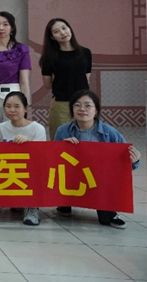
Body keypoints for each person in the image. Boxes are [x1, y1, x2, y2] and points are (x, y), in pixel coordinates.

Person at [54, 90, 140, 229]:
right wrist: (62, 147)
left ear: (96, 111)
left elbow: (124, 164)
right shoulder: (63, 131)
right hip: (73, 175)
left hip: (99, 179)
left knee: (105, 219)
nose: (82, 109)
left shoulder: (110, 133)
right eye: (77, 105)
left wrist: (135, 160)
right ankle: (65, 203)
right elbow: (53, 161)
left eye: (87, 105)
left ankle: (109, 212)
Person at [0, 91, 46, 226]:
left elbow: (41, 157)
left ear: (25, 108)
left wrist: (28, 144)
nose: (12, 110)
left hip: (29, 170)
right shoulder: (1, 128)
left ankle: (32, 208)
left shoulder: (37, 128)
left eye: (17, 106)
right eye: (8, 106)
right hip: (7, 169)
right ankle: (13, 201)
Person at [40, 18, 92, 140]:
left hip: (83, 103)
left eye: (64, 28)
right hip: (61, 104)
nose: (63, 33)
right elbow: (47, 84)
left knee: (85, 139)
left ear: (69, 29)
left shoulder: (85, 52)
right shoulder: (49, 57)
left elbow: (86, 77)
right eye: (56, 31)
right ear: (52, 37)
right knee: (60, 140)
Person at [0, 11, 31, 134]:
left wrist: (27, 105)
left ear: (12, 28)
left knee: (13, 133)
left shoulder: (21, 49)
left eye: (5, 24)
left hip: (13, 95)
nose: (1, 28)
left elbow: (24, 81)